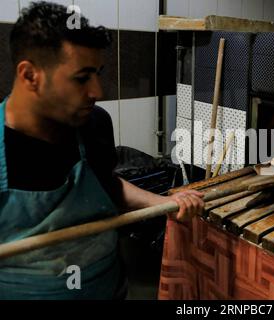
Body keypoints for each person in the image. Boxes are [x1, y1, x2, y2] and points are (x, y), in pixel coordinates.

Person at [0, 1, 204, 299]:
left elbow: (105, 185)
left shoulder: (94, 124)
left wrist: (162, 203)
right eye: (82, 78)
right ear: (30, 75)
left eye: (98, 73)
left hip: (109, 289)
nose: (98, 91)